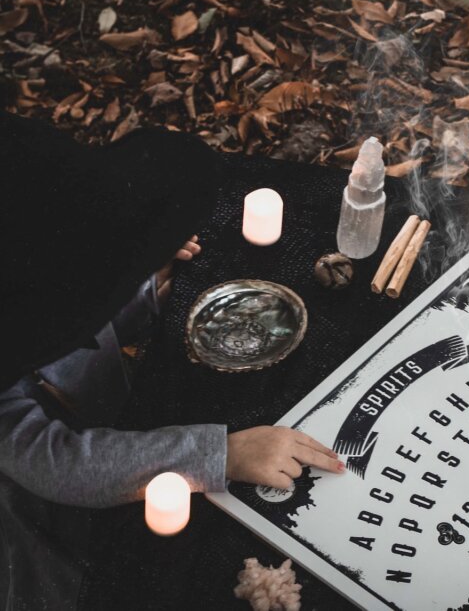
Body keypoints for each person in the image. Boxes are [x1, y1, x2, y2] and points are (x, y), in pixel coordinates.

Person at [0, 112, 343, 609]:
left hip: (115, 417)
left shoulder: (42, 264)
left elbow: (79, 317)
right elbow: (60, 464)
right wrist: (222, 456)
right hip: (48, 518)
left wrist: (137, 266)